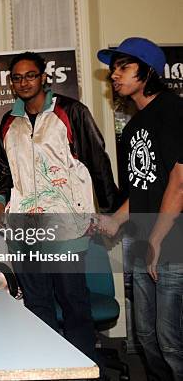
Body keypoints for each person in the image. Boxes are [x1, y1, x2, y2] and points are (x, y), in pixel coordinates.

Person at [0, 51, 119, 363]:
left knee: (74, 303)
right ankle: (47, 366)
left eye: (30, 75)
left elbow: (98, 164)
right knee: (37, 303)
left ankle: (81, 368)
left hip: (66, 228)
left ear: (44, 78)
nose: (24, 82)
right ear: (11, 82)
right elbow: (5, 172)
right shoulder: (10, 121)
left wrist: (111, 212)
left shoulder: (71, 111)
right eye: (17, 77)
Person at [96, 37, 183, 380]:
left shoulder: (174, 110)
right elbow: (144, 184)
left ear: (147, 71)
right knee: (146, 338)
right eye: (113, 68)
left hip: (171, 240)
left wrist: (158, 238)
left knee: (171, 340)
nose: (114, 75)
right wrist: (116, 220)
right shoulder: (133, 126)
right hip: (144, 238)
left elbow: (179, 179)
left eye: (123, 67)